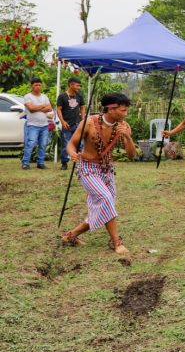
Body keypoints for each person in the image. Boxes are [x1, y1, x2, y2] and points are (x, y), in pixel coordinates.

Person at [61, 93, 137, 254]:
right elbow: (71, 144)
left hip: (107, 169)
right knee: (105, 199)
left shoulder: (123, 126)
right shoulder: (89, 123)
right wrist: (72, 153)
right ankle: (116, 242)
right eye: (122, 111)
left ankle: (71, 235)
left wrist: (127, 137)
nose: (125, 114)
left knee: (104, 205)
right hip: (87, 168)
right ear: (110, 109)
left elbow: (131, 155)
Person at [21, 77, 53, 170]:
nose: (38, 87)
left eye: (40, 85)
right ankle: (25, 163)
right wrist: (43, 106)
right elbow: (31, 108)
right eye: (36, 85)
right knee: (31, 143)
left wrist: (37, 107)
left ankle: (40, 163)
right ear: (32, 86)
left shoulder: (44, 96)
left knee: (43, 145)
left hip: (44, 125)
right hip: (32, 125)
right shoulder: (28, 96)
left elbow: (49, 108)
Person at [57, 77, 84, 170]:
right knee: (66, 143)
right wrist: (62, 121)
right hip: (67, 124)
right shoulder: (62, 96)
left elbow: (82, 108)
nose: (79, 87)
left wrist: (83, 120)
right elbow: (58, 109)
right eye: (77, 85)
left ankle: (81, 163)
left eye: (79, 85)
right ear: (71, 85)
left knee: (80, 143)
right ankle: (64, 163)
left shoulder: (79, 96)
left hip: (77, 124)